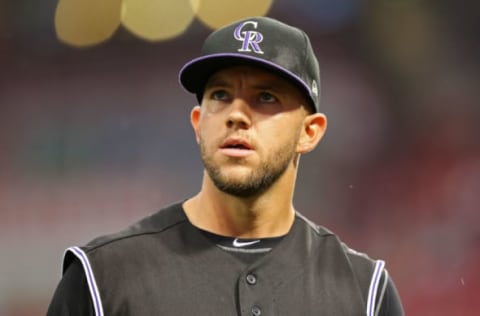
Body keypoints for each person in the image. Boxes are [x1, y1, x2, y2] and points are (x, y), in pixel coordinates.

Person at [47, 16, 404, 315]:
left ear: (309, 132)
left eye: (266, 97)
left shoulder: (364, 291)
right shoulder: (103, 277)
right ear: (198, 123)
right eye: (220, 95)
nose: (236, 114)